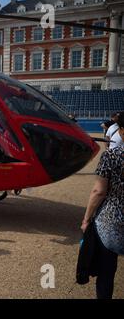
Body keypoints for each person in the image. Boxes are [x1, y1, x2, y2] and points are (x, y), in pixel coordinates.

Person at [81, 113, 124, 299]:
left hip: (112, 221)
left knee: (106, 273)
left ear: (121, 131)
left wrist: (86, 219)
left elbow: (99, 192)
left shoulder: (111, 156)